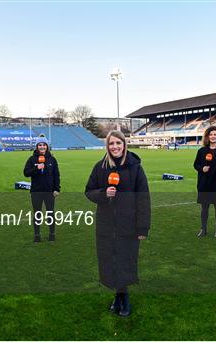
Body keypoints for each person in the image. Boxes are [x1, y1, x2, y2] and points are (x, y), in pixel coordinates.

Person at [85, 130, 151, 317]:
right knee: (109, 260)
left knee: (124, 260)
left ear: (124, 145)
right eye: (111, 144)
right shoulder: (100, 167)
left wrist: (142, 227)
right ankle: (119, 296)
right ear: (107, 146)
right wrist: (104, 194)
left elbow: (143, 199)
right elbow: (89, 191)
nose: (115, 147)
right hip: (106, 225)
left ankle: (123, 298)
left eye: (118, 143)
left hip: (128, 225)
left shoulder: (135, 168)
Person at [23, 136, 60, 242]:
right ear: (37, 147)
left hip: (49, 191)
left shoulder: (52, 159)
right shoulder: (32, 159)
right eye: (40, 145)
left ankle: (52, 234)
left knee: (50, 213)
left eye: (44, 145)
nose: (42, 147)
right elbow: (26, 173)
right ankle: (37, 235)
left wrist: (56, 189)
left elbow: (56, 175)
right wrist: (36, 168)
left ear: (47, 146)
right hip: (36, 191)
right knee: (37, 213)